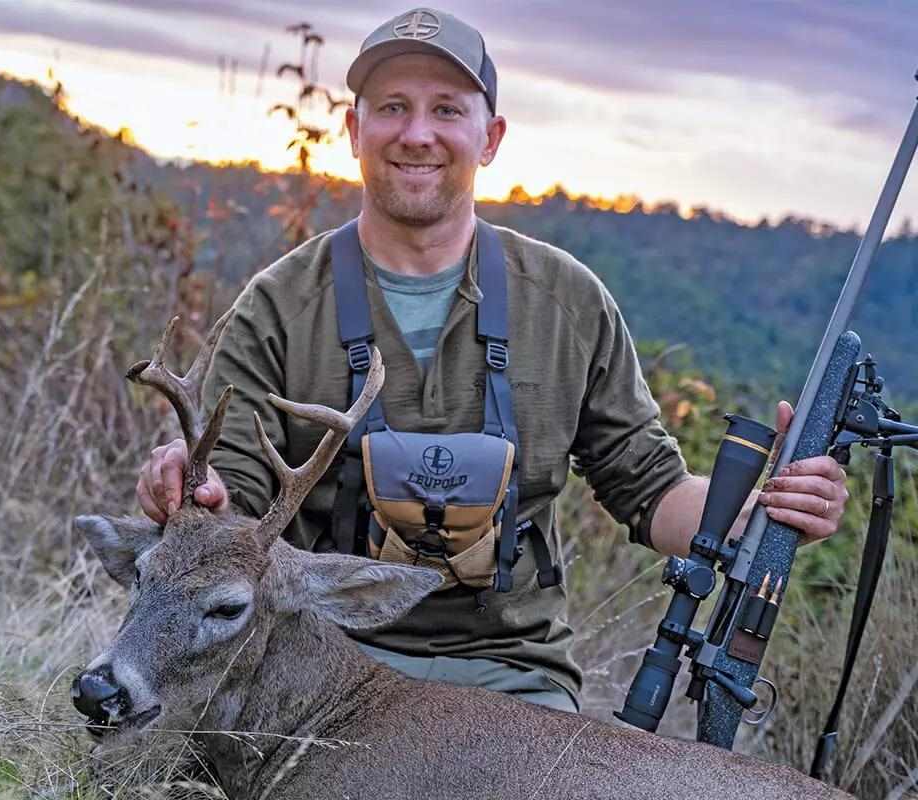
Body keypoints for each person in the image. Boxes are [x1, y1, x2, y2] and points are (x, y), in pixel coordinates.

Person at [135, 7, 849, 713]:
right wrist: (194, 492)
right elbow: (235, 502)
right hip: (313, 665)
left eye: (447, 109)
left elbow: (650, 490)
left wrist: (758, 510)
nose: (418, 133)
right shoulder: (279, 304)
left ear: (491, 138)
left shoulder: (568, 302)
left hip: (513, 672)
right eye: (392, 107)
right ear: (354, 130)